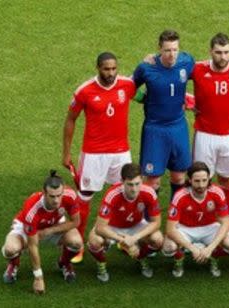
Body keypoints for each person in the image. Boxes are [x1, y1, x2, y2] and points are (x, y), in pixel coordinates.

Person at [62, 52, 137, 262]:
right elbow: (70, 120)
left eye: (114, 69)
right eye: (106, 69)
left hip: (121, 153)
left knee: (123, 196)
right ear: (98, 68)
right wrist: (66, 153)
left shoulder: (127, 85)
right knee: (84, 197)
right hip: (93, 153)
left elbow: (143, 97)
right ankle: (77, 244)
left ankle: (121, 239)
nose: (111, 73)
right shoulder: (84, 91)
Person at [191, 33, 229, 217]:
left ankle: (226, 220)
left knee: (227, 181)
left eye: (226, 52)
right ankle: (204, 219)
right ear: (210, 52)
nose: (222, 57)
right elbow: (173, 79)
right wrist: (188, 101)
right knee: (203, 181)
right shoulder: (197, 69)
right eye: (218, 52)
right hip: (205, 135)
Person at [132, 30, 195, 199]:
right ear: (159, 49)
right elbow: (129, 88)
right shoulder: (147, 68)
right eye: (167, 50)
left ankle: (177, 217)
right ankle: (150, 220)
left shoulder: (187, 61)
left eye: (175, 49)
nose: (172, 54)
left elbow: (201, 76)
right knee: (153, 181)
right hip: (155, 129)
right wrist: (143, 98)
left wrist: (191, 101)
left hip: (178, 127)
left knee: (179, 176)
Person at [1, 171, 82, 294]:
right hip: (27, 228)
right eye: (52, 196)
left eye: (59, 195)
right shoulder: (32, 209)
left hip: (54, 225)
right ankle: (14, 264)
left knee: (77, 242)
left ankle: (64, 263)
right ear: (44, 193)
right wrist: (39, 278)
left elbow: (76, 222)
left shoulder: (70, 195)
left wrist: (50, 230)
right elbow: (33, 246)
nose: (56, 200)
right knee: (10, 249)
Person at [87, 163, 163, 282]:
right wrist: (124, 241)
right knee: (94, 240)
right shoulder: (112, 195)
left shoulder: (149, 192)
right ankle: (101, 263)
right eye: (130, 185)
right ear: (122, 181)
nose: (134, 189)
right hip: (112, 227)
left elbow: (156, 223)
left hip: (136, 225)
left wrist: (135, 238)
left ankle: (140, 257)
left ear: (142, 179)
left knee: (158, 239)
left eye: (137, 184)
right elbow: (100, 227)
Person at [163, 162, 229, 278]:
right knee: (168, 247)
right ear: (190, 180)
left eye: (204, 180)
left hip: (209, 227)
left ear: (209, 179)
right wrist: (193, 249)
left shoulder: (217, 192)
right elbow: (170, 229)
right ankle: (179, 258)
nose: (201, 185)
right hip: (186, 228)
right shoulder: (180, 196)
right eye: (197, 181)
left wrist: (210, 248)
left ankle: (213, 255)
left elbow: (226, 222)